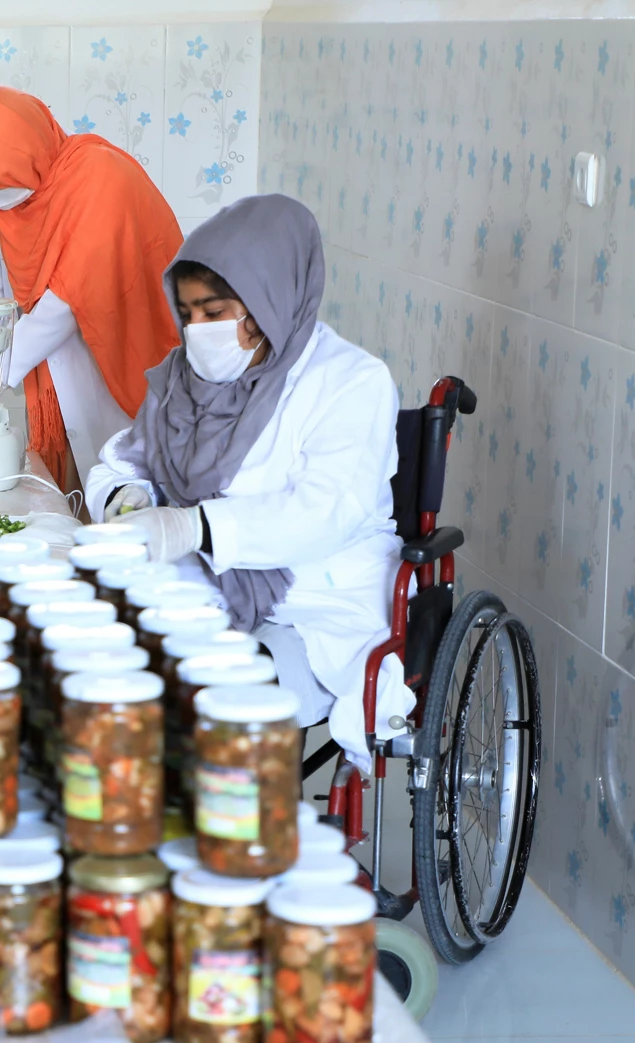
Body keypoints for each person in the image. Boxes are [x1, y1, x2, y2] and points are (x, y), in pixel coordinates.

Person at [86, 194, 410, 770]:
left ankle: (235, 834)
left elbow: (325, 512)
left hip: (314, 602)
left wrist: (195, 525)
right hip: (209, 583)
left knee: (216, 695)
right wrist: (125, 498)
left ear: (269, 300)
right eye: (186, 315)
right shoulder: (182, 382)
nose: (197, 331)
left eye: (214, 312)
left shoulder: (353, 383)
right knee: (102, 653)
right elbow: (123, 461)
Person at [0, 87, 185, 504]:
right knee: (75, 499)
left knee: (130, 498)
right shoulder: (1, 207)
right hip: (61, 376)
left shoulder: (102, 181)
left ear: (23, 156)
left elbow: (62, 310)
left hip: (129, 359)